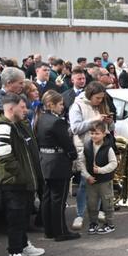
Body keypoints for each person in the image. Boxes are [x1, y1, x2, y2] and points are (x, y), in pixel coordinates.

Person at [0, 94, 45, 256]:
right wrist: (23, 175)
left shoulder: (18, 124)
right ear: (11, 108)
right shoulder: (3, 128)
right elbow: (5, 157)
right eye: (22, 107)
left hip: (24, 181)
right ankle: (14, 254)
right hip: (14, 182)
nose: (25, 110)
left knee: (23, 215)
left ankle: (23, 244)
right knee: (15, 218)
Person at [35, 90, 80, 242]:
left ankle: (49, 230)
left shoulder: (41, 118)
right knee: (58, 200)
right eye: (60, 104)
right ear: (50, 105)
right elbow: (67, 143)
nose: (62, 107)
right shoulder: (56, 121)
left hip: (45, 161)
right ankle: (61, 231)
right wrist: (73, 155)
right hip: (57, 162)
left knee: (47, 197)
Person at [69, 81, 113, 229]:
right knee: (84, 183)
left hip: (100, 147)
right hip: (84, 148)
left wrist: (108, 122)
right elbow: (75, 128)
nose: (100, 101)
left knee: (99, 181)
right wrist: (94, 120)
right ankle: (80, 214)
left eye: (102, 98)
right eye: (98, 98)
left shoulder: (101, 105)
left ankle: (96, 211)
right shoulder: (77, 105)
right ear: (90, 95)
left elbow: (107, 128)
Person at [77, 121, 117, 235]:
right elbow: (81, 162)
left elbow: (113, 163)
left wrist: (101, 170)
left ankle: (109, 224)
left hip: (105, 181)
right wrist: (87, 176)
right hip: (91, 181)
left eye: (97, 133)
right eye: (92, 133)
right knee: (91, 203)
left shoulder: (108, 148)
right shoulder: (87, 146)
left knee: (107, 203)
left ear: (104, 134)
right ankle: (93, 223)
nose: (94, 136)